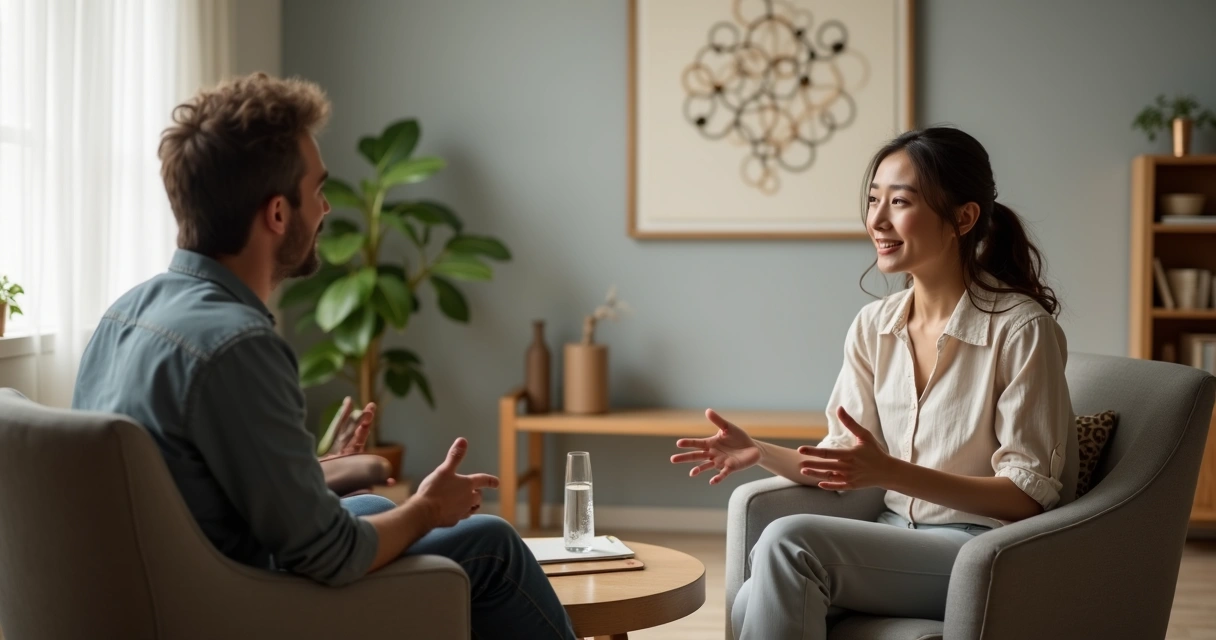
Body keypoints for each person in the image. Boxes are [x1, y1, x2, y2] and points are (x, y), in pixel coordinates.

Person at [71, 72, 576, 640]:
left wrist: (306, 469)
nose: (327, 208)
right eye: (317, 190)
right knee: (494, 546)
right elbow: (331, 555)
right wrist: (430, 506)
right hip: (235, 607)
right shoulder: (238, 344)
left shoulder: (125, 313)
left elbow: (193, 490)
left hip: (169, 589)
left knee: (364, 510)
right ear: (279, 214)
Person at [671, 127, 1073, 639]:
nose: (877, 220)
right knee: (756, 593)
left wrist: (891, 472)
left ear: (963, 218)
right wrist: (758, 452)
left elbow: (1027, 496)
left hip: (978, 553)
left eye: (899, 202)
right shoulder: (873, 325)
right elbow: (845, 460)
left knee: (789, 542)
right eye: (873, 199)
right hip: (891, 539)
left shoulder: (1020, 328)